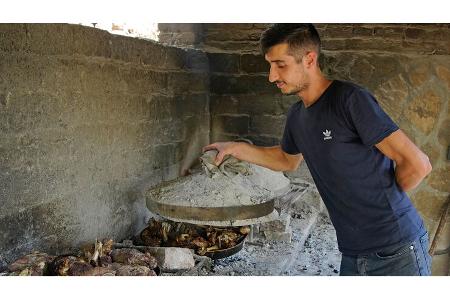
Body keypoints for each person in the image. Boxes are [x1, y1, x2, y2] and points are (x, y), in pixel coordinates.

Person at [203, 24, 433, 276]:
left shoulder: (350, 100)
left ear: (309, 59)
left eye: (281, 64)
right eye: (270, 65)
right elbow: (285, 160)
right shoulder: (297, 116)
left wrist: (383, 206)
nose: (271, 76)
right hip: (353, 251)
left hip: (396, 250)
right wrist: (235, 147)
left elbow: (417, 164)